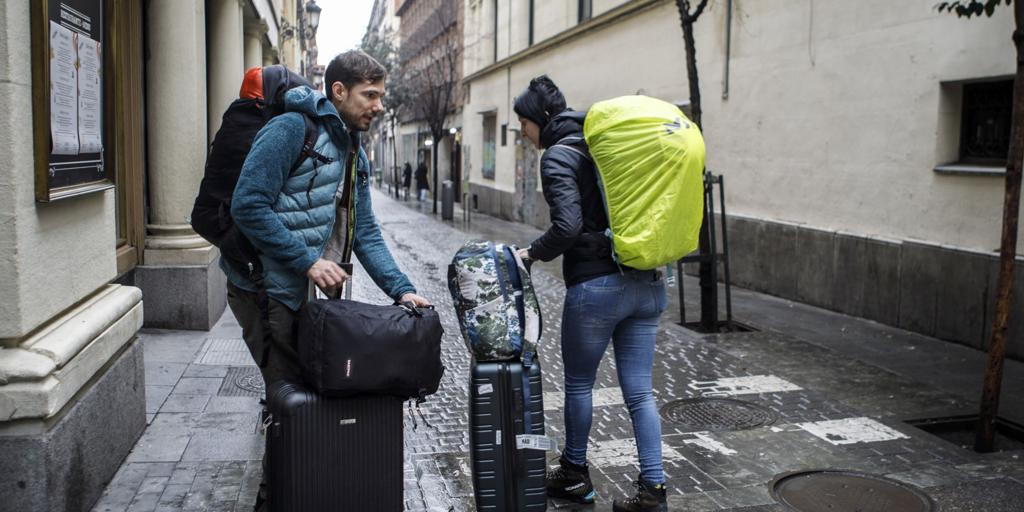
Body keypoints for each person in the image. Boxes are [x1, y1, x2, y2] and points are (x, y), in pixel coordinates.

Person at [224, 50, 431, 511]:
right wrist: (308, 262)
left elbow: (366, 233)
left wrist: (401, 288)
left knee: (304, 395)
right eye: (370, 95)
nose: (378, 105)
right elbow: (248, 205)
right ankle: (276, 497)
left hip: (301, 290)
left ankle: (308, 486)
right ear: (338, 91)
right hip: (263, 287)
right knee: (288, 397)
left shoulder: (351, 145)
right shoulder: (290, 129)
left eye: (381, 95)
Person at [514, 75, 670, 512]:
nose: (523, 135)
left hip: (598, 287)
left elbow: (567, 226)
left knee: (579, 384)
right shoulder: (603, 145)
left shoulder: (558, 157)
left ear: (539, 120)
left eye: (523, 125)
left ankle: (574, 474)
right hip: (647, 281)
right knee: (640, 392)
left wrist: (530, 255)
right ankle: (653, 491)